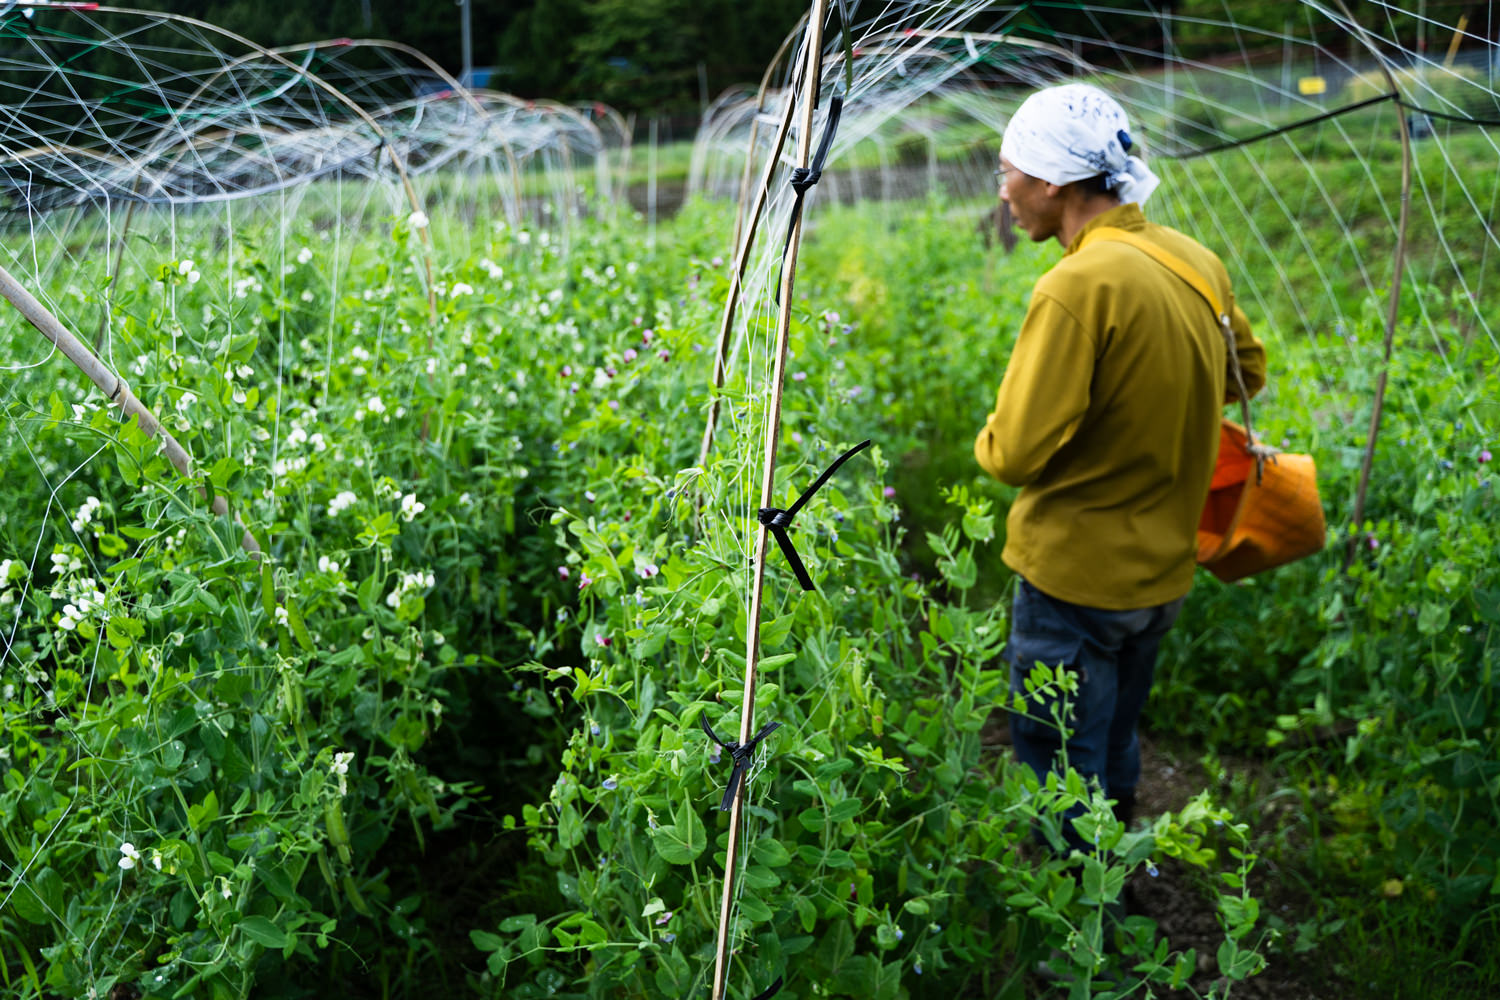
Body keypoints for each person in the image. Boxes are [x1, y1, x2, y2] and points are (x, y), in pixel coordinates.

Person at [974, 83, 1266, 849]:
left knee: (1058, 755)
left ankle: (1075, 928)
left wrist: (993, 435)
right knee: (1113, 740)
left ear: (1051, 182)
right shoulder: (1192, 260)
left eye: (1006, 173)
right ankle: (1117, 887)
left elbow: (1015, 452)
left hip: (1073, 576)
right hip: (1163, 567)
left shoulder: (1076, 285)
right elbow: (1249, 371)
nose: (1003, 192)